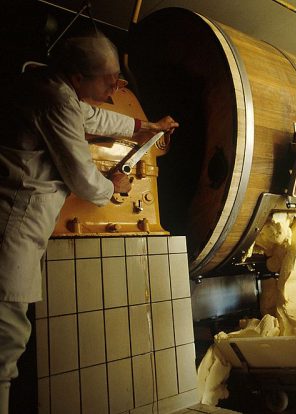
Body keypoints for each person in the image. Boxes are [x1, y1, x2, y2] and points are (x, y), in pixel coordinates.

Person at [0, 32, 179, 413]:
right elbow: (82, 178)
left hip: (20, 228)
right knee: (6, 338)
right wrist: (112, 184)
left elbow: (94, 115)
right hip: (11, 228)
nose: (116, 86)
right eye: (108, 79)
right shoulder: (54, 100)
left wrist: (143, 127)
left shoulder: (56, 89)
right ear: (78, 77)